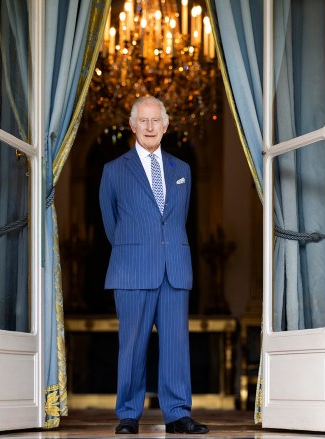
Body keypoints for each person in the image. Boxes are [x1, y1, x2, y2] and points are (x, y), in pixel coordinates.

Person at [99, 96, 209, 435]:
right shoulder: (114, 170)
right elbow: (109, 222)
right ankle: (129, 414)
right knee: (132, 345)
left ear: (165, 125)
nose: (149, 127)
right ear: (132, 125)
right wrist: (136, 249)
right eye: (142, 121)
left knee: (176, 344)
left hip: (174, 268)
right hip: (132, 269)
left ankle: (177, 414)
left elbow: (178, 218)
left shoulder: (182, 170)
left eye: (155, 121)